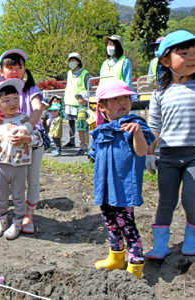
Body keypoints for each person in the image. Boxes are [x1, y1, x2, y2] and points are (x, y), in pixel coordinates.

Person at [91, 78, 155, 280]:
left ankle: (136, 264)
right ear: (101, 106)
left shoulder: (135, 124)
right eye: (116, 99)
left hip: (123, 188)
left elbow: (142, 151)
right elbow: (95, 156)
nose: (123, 102)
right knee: (110, 222)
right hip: (105, 187)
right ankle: (116, 256)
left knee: (127, 224)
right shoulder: (101, 129)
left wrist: (137, 133)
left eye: (126, 97)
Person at [0, 49, 50, 233]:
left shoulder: (30, 89)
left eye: (19, 67)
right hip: (5, 143)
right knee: (0, 182)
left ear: (25, 69)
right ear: (1, 70)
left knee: (31, 179)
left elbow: (37, 110)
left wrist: (27, 129)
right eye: (10, 67)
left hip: (31, 141)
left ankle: (28, 216)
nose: (15, 70)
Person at [145, 30, 195, 259]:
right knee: (166, 200)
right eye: (185, 53)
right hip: (168, 156)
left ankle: (191, 240)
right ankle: (160, 245)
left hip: (194, 155)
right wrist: (149, 153)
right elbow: (154, 127)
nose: (192, 58)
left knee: (191, 199)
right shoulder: (160, 94)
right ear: (166, 60)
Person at [63, 53, 90, 148]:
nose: (71, 62)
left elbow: (88, 87)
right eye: (69, 61)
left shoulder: (84, 73)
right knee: (70, 122)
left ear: (78, 61)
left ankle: (85, 144)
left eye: (73, 60)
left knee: (82, 124)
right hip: (69, 101)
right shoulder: (69, 73)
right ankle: (72, 141)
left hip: (80, 102)